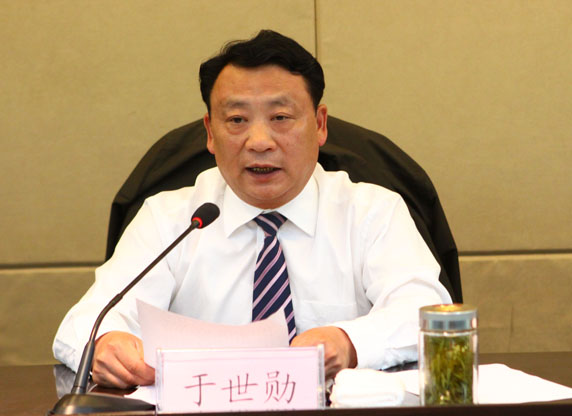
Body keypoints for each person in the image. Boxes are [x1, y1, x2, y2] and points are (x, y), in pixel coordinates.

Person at [53, 30, 451, 389]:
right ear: (210, 132)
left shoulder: (372, 212)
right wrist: (106, 343)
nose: (259, 141)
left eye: (280, 118)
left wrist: (348, 342)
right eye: (237, 120)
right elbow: (86, 320)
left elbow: (425, 312)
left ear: (320, 124)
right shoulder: (170, 219)